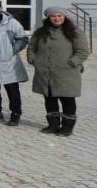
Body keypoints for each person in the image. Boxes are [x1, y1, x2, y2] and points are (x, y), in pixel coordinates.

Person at [28, 7, 90, 137]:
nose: (56, 19)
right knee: (49, 98)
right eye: (53, 16)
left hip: (67, 73)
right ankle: (53, 125)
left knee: (67, 99)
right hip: (45, 72)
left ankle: (67, 127)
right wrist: (33, 60)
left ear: (64, 17)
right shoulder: (40, 33)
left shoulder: (74, 32)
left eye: (59, 16)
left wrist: (72, 62)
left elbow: (83, 51)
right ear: (48, 18)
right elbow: (31, 48)